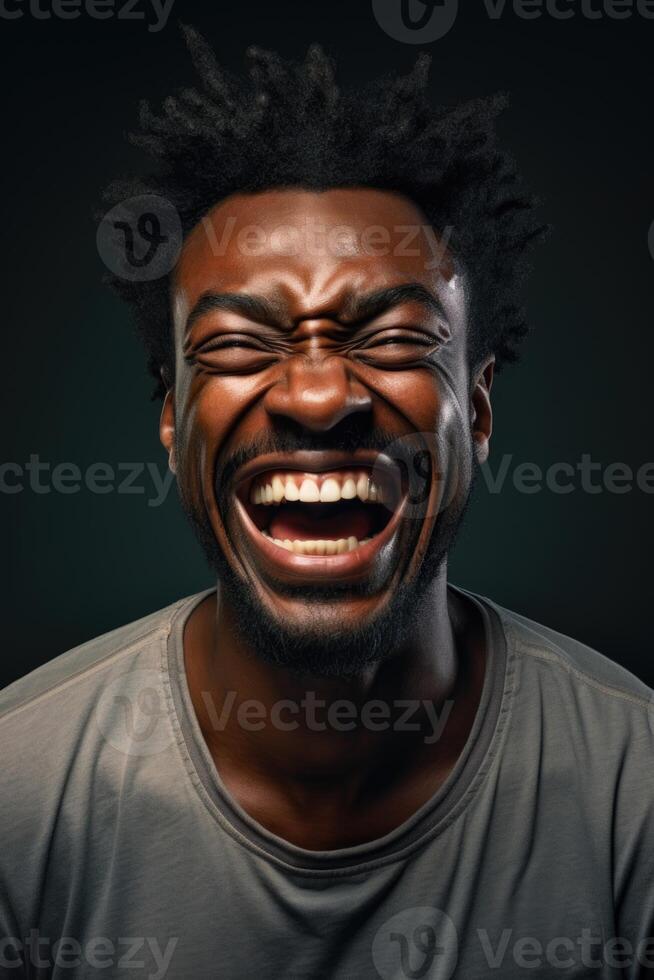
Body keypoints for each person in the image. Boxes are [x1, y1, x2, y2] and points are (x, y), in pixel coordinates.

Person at [1, 27, 652, 979]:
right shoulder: (19, 793)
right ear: (174, 423)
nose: (317, 397)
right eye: (234, 346)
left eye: (393, 339)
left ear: (474, 411)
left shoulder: (634, 792)